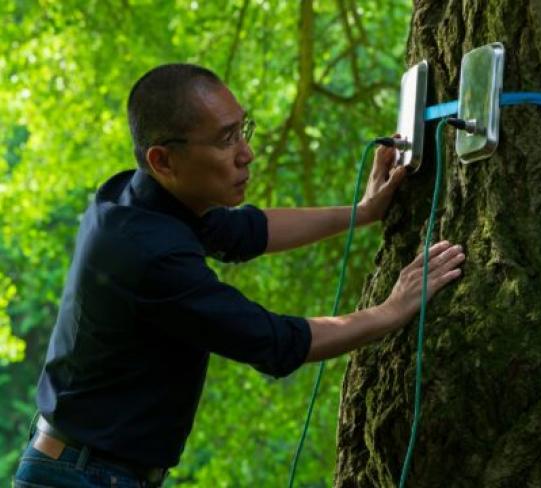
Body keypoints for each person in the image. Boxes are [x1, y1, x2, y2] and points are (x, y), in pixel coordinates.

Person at [12, 63, 465, 487]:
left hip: (85, 468)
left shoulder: (141, 199)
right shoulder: (147, 255)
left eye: (242, 129)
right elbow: (275, 341)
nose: (246, 153)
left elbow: (248, 230)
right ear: (163, 161)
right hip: (83, 476)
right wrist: (393, 310)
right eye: (226, 139)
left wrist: (362, 213)